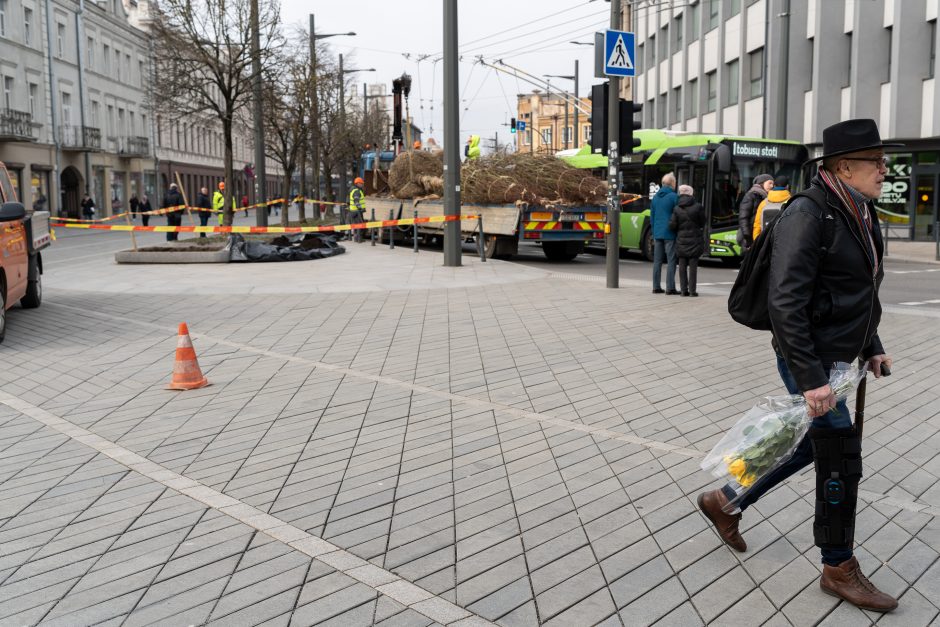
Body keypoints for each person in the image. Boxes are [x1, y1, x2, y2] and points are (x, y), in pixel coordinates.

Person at [697, 119, 899, 612]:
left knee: (813, 447)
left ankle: (725, 499)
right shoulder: (809, 214)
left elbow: (859, 290)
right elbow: (785, 301)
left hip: (837, 358)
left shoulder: (859, 211)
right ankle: (838, 566)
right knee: (840, 457)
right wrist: (810, 379)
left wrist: (871, 343)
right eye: (875, 161)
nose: (884, 168)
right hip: (808, 358)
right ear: (844, 166)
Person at [671, 184, 705, 297]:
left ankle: (683, 291)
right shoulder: (698, 207)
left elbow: (672, 225)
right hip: (695, 240)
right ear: (691, 193)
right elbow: (702, 222)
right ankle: (692, 291)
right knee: (693, 266)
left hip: (681, 240)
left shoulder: (676, 208)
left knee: (682, 266)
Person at [650, 172, 679, 295]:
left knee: (657, 261)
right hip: (670, 233)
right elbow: (677, 215)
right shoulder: (674, 197)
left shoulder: (655, 197)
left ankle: (656, 287)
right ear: (672, 183)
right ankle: (670, 288)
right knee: (671, 260)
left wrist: (654, 231)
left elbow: (652, 217)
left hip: (657, 233)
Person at [737, 173, 774, 251]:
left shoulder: (767, 197)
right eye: (769, 183)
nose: (772, 186)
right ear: (761, 183)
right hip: (750, 237)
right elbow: (743, 218)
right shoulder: (751, 196)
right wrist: (748, 238)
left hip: (758, 236)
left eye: (773, 184)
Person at [753, 174, 791, 240]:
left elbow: (757, 226)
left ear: (774, 186)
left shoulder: (763, 203)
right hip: (784, 243)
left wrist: (757, 243)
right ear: (787, 186)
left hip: (765, 243)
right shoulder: (792, 202)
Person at [347, 177, 366, 243]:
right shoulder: (357, 191)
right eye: (361, 183)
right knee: (360, 225)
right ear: (357, 183)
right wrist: (360, 208)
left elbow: (348, 201)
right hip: (357, 211)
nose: (362, 185)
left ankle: (356, 238)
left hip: (353, 211)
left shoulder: (352, 190)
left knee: (356, 225)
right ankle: (359, 239)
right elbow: (356, 200)